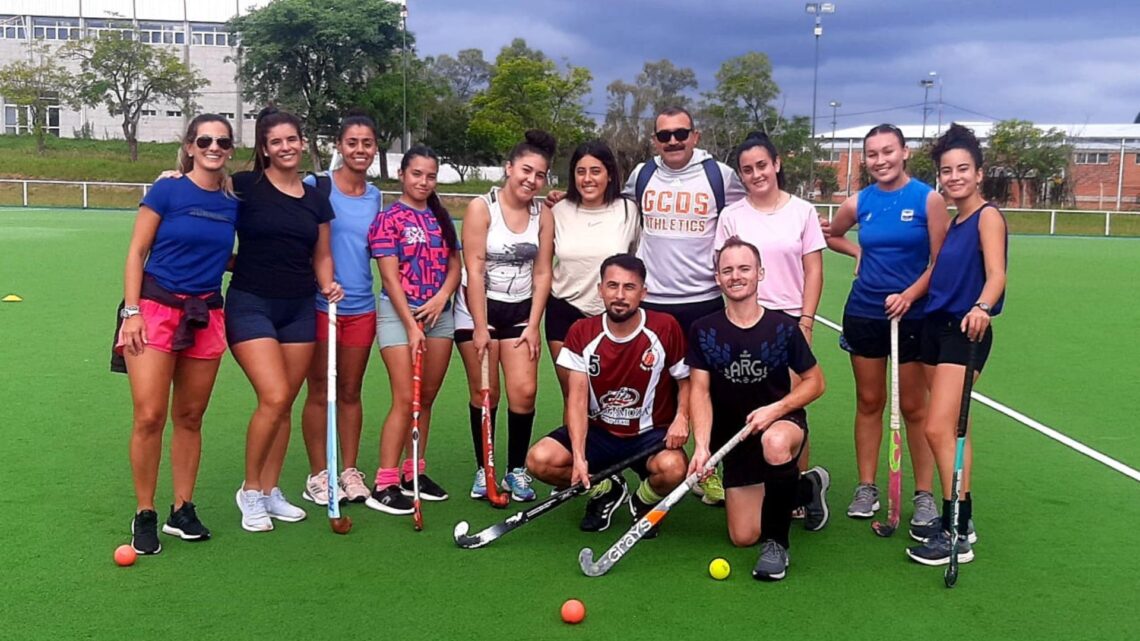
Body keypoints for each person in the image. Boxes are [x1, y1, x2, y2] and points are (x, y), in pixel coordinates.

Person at [115, 114, 238, 554]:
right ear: (189, 147)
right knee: (150, 415)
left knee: (190, 416)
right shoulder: (167, 190)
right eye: (204, 140)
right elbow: (137, 252)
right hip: (154, 310)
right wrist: (132, 313)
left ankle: (182, 509)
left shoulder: (233, 202)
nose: (213, 147)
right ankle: (145, 512)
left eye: (222, 141)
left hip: (206, 314)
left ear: (230, 149)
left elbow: (224, 252)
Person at [821, 124, 949, 524]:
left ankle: (924, 494)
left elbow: (940, 261)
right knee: (870, 401)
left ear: (905, 152)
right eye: (873, 154)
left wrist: (909, 295)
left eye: (888, 151)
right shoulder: (860, 201)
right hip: (865, 313)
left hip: (913, 317)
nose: (881, 160)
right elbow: (831, 234)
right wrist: (856, 251)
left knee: (913, 406)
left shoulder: (928, 199)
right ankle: (866, 487)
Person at [227, 107, 343, 532]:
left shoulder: (316, 200)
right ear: (264, 148)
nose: (285, 147)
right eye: (275, 141)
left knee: (285, 403)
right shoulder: (243, 186)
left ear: (302, 142)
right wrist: (175, 174)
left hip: (298, 308)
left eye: (291, 139)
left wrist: (328, 283)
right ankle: (250, 490)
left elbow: (322, 254)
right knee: (274, 396)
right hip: (250, 304)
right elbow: (201, 193)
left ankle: (271, 490)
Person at [688, 236, 828, 581]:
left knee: (774, 443)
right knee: (743, 535)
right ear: (718, 278)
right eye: (727, 270)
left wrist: (775, 409)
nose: (736, 276)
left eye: (744, 268)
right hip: (735, 440)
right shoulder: (704, 330)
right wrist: (702, 446)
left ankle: (777, 545)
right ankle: (807, 487)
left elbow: (815, 382)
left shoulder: (783, 328)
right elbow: (700, 390)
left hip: (780, 424)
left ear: (760, 273)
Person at [526, 254, 691, 536]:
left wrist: (682, 417)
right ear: (600, 289)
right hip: (599, 434)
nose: (620, 295)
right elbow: (577, 399)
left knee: (674, 468)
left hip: (649, 435)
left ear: (643, 292)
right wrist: (579, 457)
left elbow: (685, 381)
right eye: (612, 286)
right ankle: (606, 489)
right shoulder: (582, 332)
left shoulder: (664, 327)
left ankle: (643, 501)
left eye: (629, 287)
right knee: (539, 460)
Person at [713, 131, 828, 521]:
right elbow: (726, 270)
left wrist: (806, 321)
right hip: (745, 323)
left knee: (791, 407)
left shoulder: (802, 211)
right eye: (747, 169)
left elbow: (814, 270)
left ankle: (797, 490)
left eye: (762, 165)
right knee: (746, 404)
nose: (756, 174)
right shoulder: (732, 216)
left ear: (776, 164)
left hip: (788, 322)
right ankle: (756, 480)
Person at [907, 124, 1006, 566]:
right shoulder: (954, 222)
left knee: (937, 429)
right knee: (953, 432)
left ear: (979, 173)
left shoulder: (987, 217)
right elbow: (938, 273)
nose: (954, 177)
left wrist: (983, 306)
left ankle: (956, 533)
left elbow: (997, 274)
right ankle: (962, 519)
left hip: (965, 332)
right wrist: (909, 296)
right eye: (947, 171)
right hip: (935, 326)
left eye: (963, 169)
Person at [455, 130, 556, 503]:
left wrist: (534, 325)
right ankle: (485, 469)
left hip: (520, 309)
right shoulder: (482, 208)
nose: (531, 180)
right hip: (477, 308)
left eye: (540, 175)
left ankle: (516, 470)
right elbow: (475, 268)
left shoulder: (543, 214)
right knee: (486, 392)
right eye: (526, 170)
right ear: (509, 168)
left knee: (524, 392)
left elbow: (542, 271)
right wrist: (480, 327)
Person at [364, 146, 461, 515]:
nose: (423, 181)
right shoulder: (388, 219)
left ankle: (413, 472)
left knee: (427, 398)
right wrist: (411, 325)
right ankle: (384, 483)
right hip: (399, 315)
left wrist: (442, 297)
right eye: (417, 174)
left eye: (430, 176)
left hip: (439, 316)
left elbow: (455, 265)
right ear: (402, 174)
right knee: (405, 398)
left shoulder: (441, 216)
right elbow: (390, 278)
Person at [298, 111, 383, 506]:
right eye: (352, 143)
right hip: (320, 306)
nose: (359, 150)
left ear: (375, 148)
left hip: (361, 307)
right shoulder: (316, 186)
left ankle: (349, 470)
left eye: (367, 143)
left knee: (350, 390)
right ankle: (319, 473)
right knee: (319, 389)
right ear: (339, 145)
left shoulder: (376, 197)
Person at [546, 140, 640, 408]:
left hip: (614, 314)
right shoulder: (557, 210)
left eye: (595, 171)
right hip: (565, 312)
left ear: (609, 174)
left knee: (612, 398)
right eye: (581, 171)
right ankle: (574, 439)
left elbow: (636, 262)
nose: (587, 179)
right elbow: (543, 267)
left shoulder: (628, 211)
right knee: (574, 397)